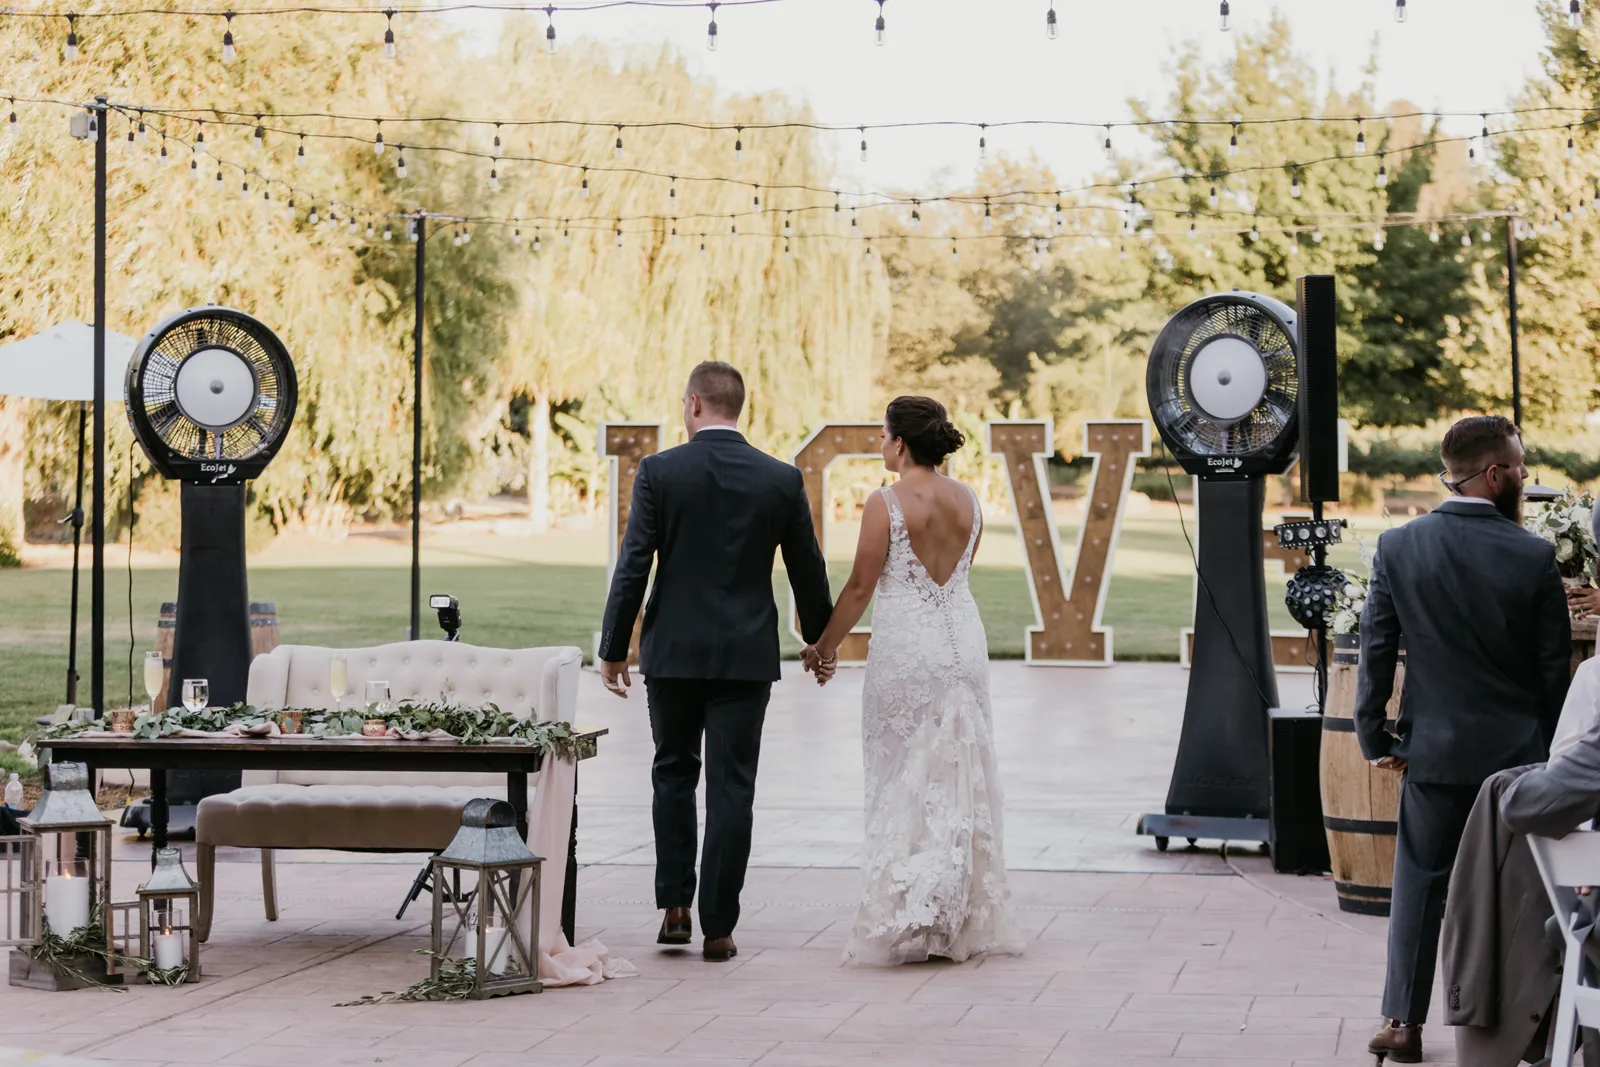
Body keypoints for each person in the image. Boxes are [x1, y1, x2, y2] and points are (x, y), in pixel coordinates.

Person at [596, 361, 833, 963]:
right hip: (746, 656)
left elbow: (634, 563)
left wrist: (614, 646)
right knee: (733, 787)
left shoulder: (659, 471)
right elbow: (807, 567)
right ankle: (719, 928)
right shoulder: (780, 478)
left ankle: (675, 905)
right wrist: (820, 642)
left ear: (695, 404)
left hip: (673, 652)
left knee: (673, 772)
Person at [1357, 414, 1572, 1063]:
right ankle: (1530, 1030)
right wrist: (1554, 756)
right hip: (1518, 764)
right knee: (1522, 895)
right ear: (1495, 473)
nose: (1526, 477)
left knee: (1418, 888)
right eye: (1521, 467)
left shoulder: (1399, 546)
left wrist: (1374, 735)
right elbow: (1551, 672)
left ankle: (1402, 1022)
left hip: (1436, 752)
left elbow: (1377, 648)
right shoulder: (1533, 555)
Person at [802, 396, 1024, 965]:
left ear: (900, 443)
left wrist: (823, 648)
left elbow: (860, 586)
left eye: (883, 436)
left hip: (907, 651)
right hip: (964, 643)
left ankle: (911, 911)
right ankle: (952, 911)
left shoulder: (886, 502)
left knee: (903, 773)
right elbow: (959, 574)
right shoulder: (969, 499)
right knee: (958, 773)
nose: (881, 445)